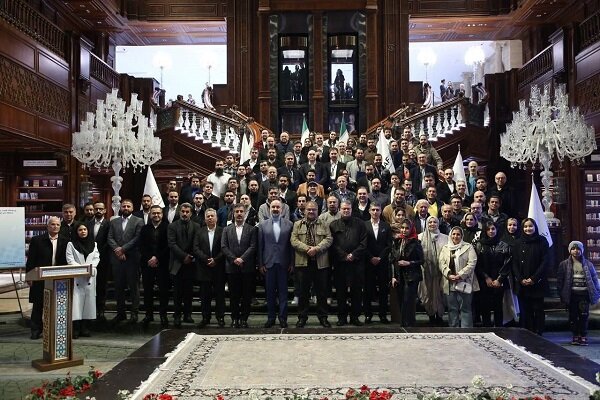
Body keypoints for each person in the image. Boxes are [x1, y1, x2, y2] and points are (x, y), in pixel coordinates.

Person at [290, 201, 333, 328]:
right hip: (303, 263)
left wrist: (317, 249)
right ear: (304, 211)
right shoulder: (297, 224)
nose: (311, 212)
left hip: (321, 263)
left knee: (322, 292)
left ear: (317, 211)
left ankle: (323, 317)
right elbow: (293, 240)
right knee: (303, 292)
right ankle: (302, 318)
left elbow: (329, 239)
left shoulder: (324, 224)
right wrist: (307, 248)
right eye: (309, 209)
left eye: (314, 209)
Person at [26, 217, 68, 339]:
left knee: (56, 304)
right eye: (52, 224)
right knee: (38, 303)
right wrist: (29, 276)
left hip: (58, 277)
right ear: (47, 226)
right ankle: (35, 329)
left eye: (57, 225)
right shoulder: (37, 240)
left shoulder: (65, 241)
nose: (55, 227)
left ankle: (54, 330)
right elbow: (31, 260)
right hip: (40, 277)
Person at [329, 201, 368, 326]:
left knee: (356, 292)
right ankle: (342, 317)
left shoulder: (360, 224)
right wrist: (344, 255)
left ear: (352, 209)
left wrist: (353, 255)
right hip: (340, 264)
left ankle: (355, 317)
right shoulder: (333, 225)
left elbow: (364, 242)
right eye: (344, 209)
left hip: (356, 263)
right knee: (341, 292)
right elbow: (332, 244)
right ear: (340, 209)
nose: (346, 211)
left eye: (348, 209)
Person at [107, 199, 144, 325]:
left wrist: (123, 249)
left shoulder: (139, 221)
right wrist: (117, 250)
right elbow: (110, 237)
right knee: (118, 288)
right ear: (120, 208)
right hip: (117, 260)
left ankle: (134, 313)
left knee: (134, 287)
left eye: (128, 206)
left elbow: (137, 238)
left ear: (132, 208)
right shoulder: (114, 221)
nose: (126, 208)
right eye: (124, 206)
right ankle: (120, 313)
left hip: (132, 259)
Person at [258, 200, 294, 328]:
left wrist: (292, 263)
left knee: (283, 293)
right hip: (269, 264)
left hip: (284, 264)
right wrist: (261, 263)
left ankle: (283, 318)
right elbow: (260, 246)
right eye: (273, 207)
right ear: (269, 209)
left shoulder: (289, 224)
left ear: (282, 209)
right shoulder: (262, 225)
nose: (275, 209)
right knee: (270, 293)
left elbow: (291, 246)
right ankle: (271, 318)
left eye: (277, 207)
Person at [557, 241, 600, 346]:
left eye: (578, 249)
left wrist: (597, 292)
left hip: (584, 295)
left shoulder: (588, 264)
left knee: (584, 316)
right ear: (570, 250)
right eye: (573, 249)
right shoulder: (563, 265)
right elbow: (560, 280)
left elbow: (594, 279)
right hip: (572, 295)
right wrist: (561, 293)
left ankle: (583, 335)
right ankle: (575, 335)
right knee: (573, 316)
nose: (576, 251)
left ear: (582, 250)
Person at [221, 204, 258, 328]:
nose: (239, 214)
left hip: (247, 267)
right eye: (237, 211)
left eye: (241, 211)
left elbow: (253, 246)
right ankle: (234, 318)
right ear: (233, 213)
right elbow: (224, 247)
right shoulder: (226, 229)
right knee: (234, 296)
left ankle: (244, 319)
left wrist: (242, 259)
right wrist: (234, 259)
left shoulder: (251, 229)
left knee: (246, 295)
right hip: (232, 268)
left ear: (245, 213)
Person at [512, 218, 549, 335]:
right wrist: (520, 279)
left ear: (535, 227)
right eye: (525, 227)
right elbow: (514, 263)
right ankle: (527, 333)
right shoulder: (517, 242)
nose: (528, 229)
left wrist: (533, 279)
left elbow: (545, 262)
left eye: (530, 226)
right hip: (522, 284)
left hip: (537, 283)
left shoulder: (542, 241)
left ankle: (538, 333)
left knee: (538, 309)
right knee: (525, 311)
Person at [473, 221, 512, 327]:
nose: (491, 231)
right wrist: (486, 278)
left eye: (493, 229)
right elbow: (477, 264)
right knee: (484, 306)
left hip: (499, 281)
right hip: (484, 280)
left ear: (497, 230)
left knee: (498, 306)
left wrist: (499, 279)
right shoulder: (479, 245)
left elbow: (507, 263)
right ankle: (486, 327)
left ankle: (499, 328)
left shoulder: (504, 245)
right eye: (488, 229)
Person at [168, 203, 201, 328]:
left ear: (191, 213)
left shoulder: (197, 226)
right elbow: (172, 244)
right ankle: (177, 315)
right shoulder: (172, 226)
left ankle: (188, 314)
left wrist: (190, 256)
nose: (185, 213)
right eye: (183, 211)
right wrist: (184, 256)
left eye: (187, 211)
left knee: (188, 291)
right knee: (177, 293)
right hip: (177, 263)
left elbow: (197, 243)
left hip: (191, 264)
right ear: (179, 212)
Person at [438, 226, 479, 328]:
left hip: (464, 282)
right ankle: (453, 330)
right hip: (449, 282)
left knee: (465, 309)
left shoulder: (468, 247)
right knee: (452, 309)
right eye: (454, 234)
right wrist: (448, 274)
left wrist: (460, 275)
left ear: (461, 236)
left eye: (458, 234)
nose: (455, 236)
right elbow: (441, 263)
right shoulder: (445, 248)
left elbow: (472, 263)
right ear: (450, 235)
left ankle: (467, 331)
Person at [139, 205, 171, 328]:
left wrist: (157, 257)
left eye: (158, 213)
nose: (156, 215)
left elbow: (168, 245)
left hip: (163, 264)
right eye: (154, 213)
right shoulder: (144, 229)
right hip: (147, 264)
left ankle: (163, 315)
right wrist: (150, 258)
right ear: (150, 214)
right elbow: (141, 246)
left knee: (163, 291)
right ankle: (149, 315)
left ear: (162, 215)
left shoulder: (168, 228)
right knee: (147, 291)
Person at [193, 208, 226, 328]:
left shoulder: (223, 231)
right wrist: (207, 259)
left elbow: (225, 248)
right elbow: (195, 248)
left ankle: (220, 317)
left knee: (220, 295)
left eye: (212, 216)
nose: (210, 218)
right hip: (204, 268)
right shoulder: (199, 231)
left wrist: (215, 260)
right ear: (205, 219)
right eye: (208, 216)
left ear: (216, 218)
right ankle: (205, 317)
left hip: (219, 268)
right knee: (205, 296)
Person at [66, 224, 100, 338]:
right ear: (76, 232)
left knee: (88, 304)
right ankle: (75, 329)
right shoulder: (71, 244)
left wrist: (90, 268)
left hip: (90, 277)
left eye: (85, 229)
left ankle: (85, 328)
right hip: (77, 277)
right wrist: (82, 269)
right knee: (76, 304)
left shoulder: (94, 244)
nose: (83, 231)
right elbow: (70, 260)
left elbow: (96, 258)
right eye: (80, 230)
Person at [364, 203, 392, 324]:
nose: (375, 212)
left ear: (381, 211)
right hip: (368, 262)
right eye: (373, 210)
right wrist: (371, 257)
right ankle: (368, 315)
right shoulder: (364, 225)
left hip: (382, 262)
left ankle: (383, 315)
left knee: (383, 291)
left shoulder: (386, 226)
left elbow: (388, 245)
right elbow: (362, 244)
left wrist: (380, 257)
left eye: (377, 210)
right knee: (367, 290)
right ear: (369, 211)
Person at [418, 216, 448, 326]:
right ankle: (430, 315)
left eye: (434, 222)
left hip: (441, 272)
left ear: (438, 223)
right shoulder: (420, 237)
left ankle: (439, 316)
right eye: (429, 222)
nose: (432, 224)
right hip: (426, 272)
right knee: (427, 293)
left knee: (440, 294)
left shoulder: (445, 238)